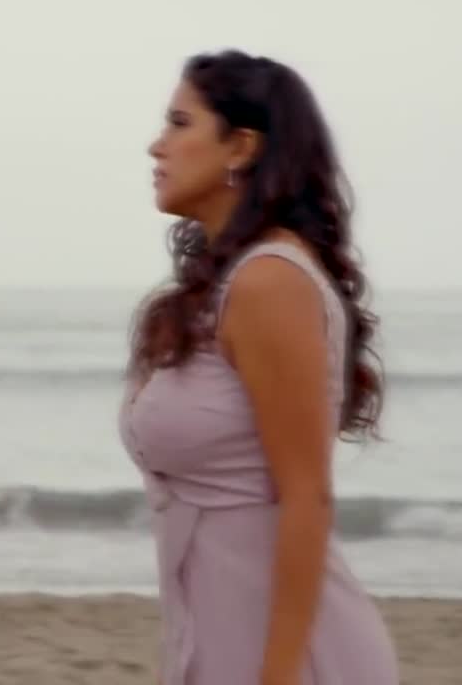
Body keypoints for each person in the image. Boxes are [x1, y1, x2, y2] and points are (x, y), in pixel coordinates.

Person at [118, 49, 399, 684]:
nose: (156, 145)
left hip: (291, 659)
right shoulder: (217, 289)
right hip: (213, 641)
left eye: (179, 123)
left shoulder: (270, 281)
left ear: (241, 146)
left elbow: (307, 497)